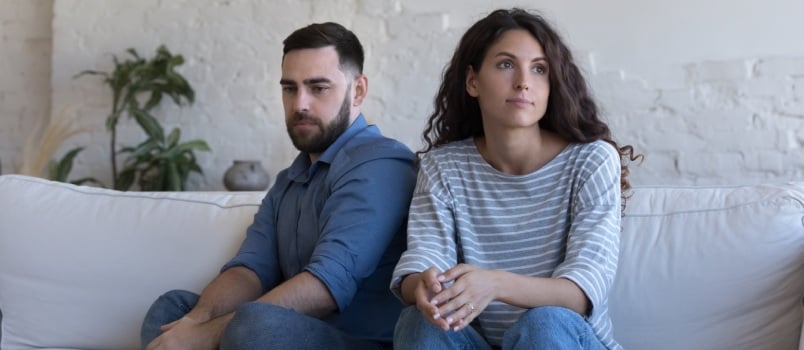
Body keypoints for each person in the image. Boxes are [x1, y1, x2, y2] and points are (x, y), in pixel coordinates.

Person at [141, 22, 417, 350]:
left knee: (255, 325)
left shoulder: (381, 163)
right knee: (173, 310)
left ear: (357, 90)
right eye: (290, 88)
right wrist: (194, 323)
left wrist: (207, 335)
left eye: (318, 88)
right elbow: (249, 270)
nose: (300, 103)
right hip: (282, 336)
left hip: (357, 342)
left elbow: (327, 285)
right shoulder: (289, 180)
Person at [391, 8, 641, 350]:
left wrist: (493, 284)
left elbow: (583, 292)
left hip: (565, 340)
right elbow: (421, 262)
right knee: (419, 321)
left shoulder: (591, 161)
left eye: (539, 69)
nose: (524, 81)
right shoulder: (443, 168)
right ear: (472, 81)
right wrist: (423, 285)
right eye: (506, 64)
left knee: (545, 322)